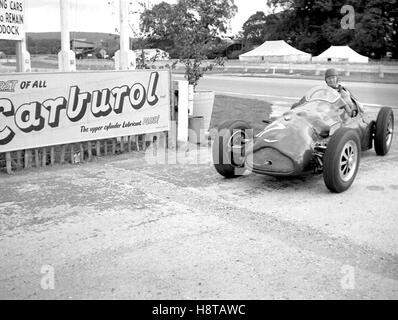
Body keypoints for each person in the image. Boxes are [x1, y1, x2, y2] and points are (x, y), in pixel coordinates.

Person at [291, 68, 360, 117]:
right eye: (329, 78)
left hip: (335, 116)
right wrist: (300, 104)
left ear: (337, 79)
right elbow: (315, 101)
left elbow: (349, 104)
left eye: (333, 78)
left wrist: (350, 110)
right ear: (326, 80)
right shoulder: (323, 90)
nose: (331, 80)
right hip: (323, 113)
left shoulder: (342, 92)